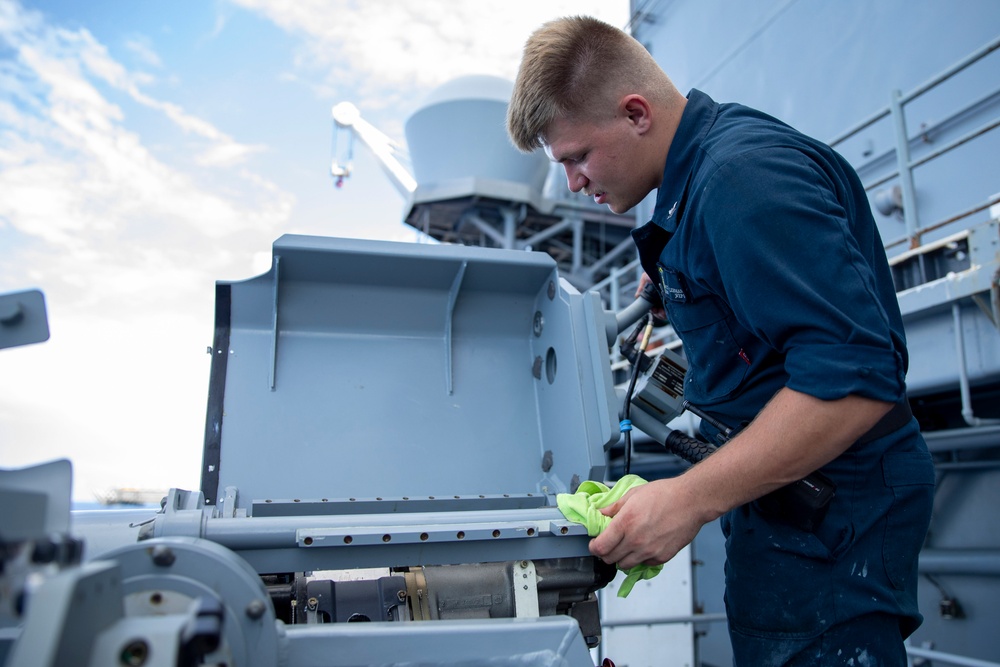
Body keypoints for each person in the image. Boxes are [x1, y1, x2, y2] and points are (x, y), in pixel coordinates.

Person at [506, 15, 935, 666]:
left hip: (833, 517)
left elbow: (856, 380)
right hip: (788, 507)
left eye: (577, 157)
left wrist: (686, 497)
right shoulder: (695, 189)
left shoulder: (741, 181)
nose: (573, 184)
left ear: (635, 113)